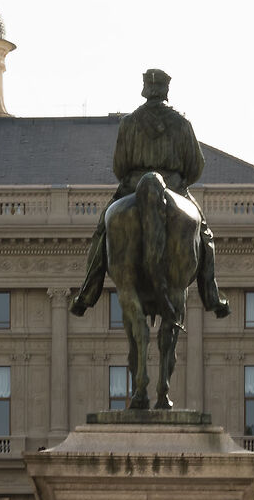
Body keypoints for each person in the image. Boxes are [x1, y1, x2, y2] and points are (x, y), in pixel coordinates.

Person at [68, 68, 229, 319]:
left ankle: (87, 293)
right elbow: (196, 165)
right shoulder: (182, 124)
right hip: (174, 187)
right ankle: (212, 295)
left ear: (145, 90)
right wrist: (180, 182)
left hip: (133, 186)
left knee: (101, 234)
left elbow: (119, 166)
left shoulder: (129, 123)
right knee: (205, 236)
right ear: (166, 91)